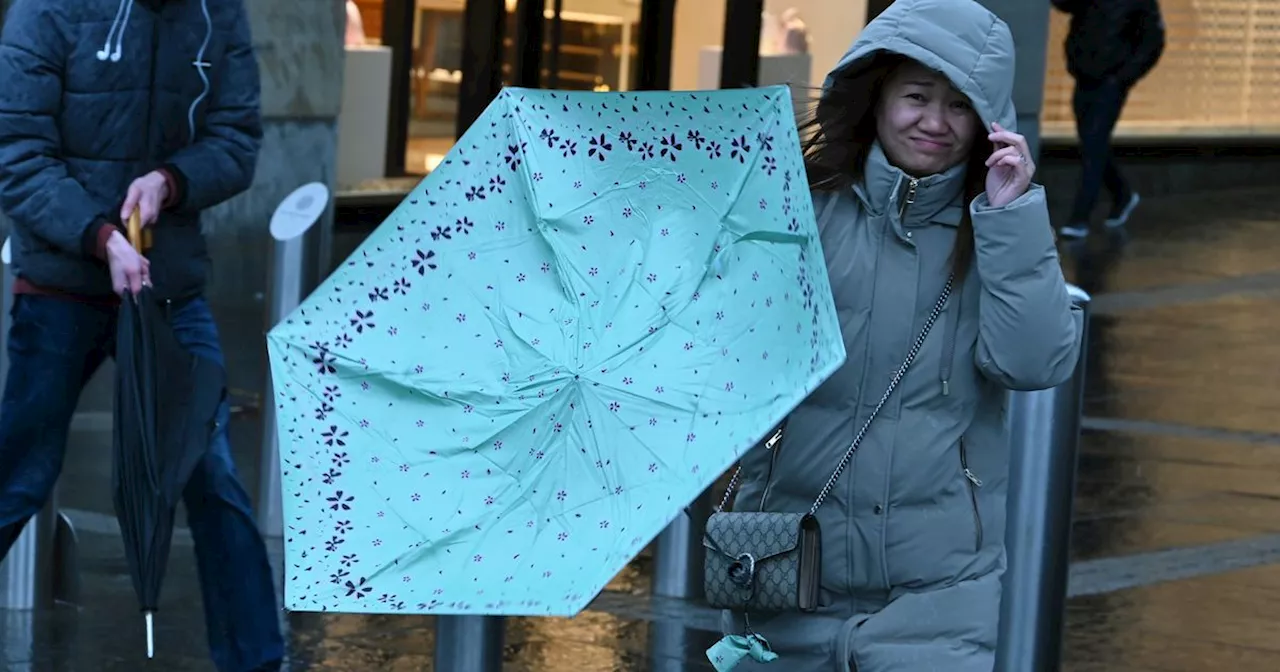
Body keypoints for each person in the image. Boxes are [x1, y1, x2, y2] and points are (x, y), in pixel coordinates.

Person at [717, 0, 1082, 670]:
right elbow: (724, 360)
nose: (936, 123)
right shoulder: (797, 206)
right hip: (788, 575)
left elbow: (1035, 362)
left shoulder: (995, 226)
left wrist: (1014, 219)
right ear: (876, 96)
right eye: (916, 97)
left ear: (987, 120)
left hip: (942, 595)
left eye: (960, 106)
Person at [0, 1, 283, 670]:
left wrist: (170, 182)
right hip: (63, 283)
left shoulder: (216, 13)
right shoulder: (48, 10)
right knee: (19, 472)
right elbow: (17, 154)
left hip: (168, 287)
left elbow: (236, 138)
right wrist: (101, 239)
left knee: (210, 475)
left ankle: (255, 661)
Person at [1052, 0, 1165, 240]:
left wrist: (1123, 77)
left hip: (1110, 82)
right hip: (1084, 75)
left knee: (1093, 144)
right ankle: (1122, 194)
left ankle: (1079, 219)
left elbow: (1153, 41)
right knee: (1092, 144)